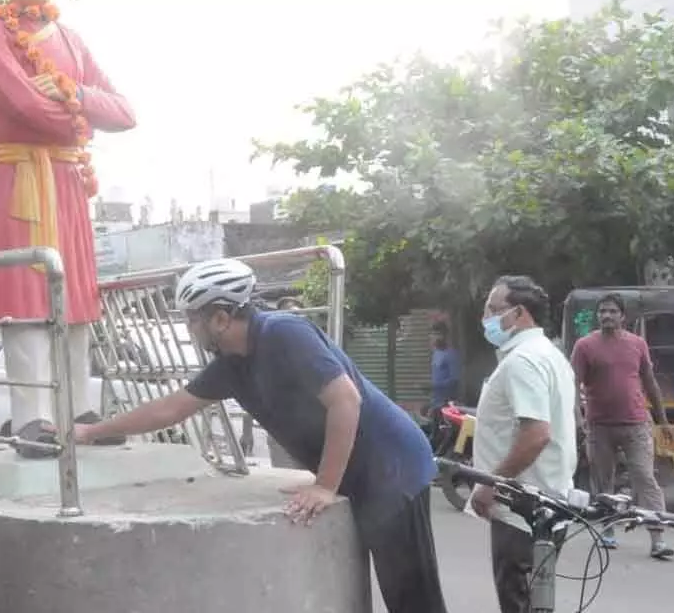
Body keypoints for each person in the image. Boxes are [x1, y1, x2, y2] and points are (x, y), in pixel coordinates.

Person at [74, 258, 448, 613]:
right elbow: (170, 409)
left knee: (411, 597)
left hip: (392, 467)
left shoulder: (284, 333)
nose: (190, 330)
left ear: (220, 318)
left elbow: (345, 400)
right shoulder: (231, 365)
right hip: (360, 474)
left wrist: (324, 485)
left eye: (193, 320)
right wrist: (92, 431)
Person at [0, 0, 136, 456]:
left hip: (66, 181)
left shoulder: (71, 39)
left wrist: (73, 95)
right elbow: (25, 104)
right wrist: (79, 113)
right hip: (15, 180)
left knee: (78, 296)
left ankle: (78, 408)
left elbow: (126, 112)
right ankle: (31, 417)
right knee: (25, 296)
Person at [470, 275, 577, 613]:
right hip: (548, 502)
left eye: (493, 308)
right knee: (536, 603)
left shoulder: (522, 362)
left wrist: (492, 485)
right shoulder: (549, 355)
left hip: (521, 507)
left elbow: (537, 434)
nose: (485, 316)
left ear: (518, 314)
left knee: (519, 602)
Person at [569, 293, 674, 559]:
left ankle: (658, 538)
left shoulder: (637, 344)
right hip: (599, 425)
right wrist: (577, 419)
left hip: (636, 423)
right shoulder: (584, 346)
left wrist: (663, 420)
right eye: (602, 311)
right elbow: (572, 384)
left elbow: (650, 382)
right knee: (604, 481)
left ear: (622, 316)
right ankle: (608, 531)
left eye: (612, 311)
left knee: (645, 478)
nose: (606, 316)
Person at [430, 320, 461, 408]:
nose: (436, 338)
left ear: (445, 336)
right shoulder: (436, 353)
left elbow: (455, 380)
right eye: (434, 334)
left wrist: (435, 386)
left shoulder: (452, 354)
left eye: (439, 334)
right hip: (435, 401)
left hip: (447, 403)